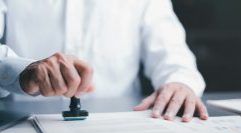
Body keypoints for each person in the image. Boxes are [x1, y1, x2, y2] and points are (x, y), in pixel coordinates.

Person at [0, 0, 208, 122]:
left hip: (122, 127)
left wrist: (180, 82)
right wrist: (22, 71)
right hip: (19, 123)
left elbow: (173, 53)